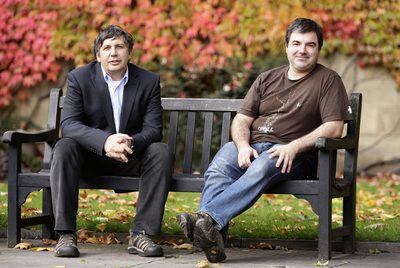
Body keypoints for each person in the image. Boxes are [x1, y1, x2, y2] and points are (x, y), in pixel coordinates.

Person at [177, 18, 352, 263]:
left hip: (297, 155)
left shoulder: (328, 80)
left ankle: (207, 220)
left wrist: (293, 147)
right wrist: (242, 146)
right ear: (286, 46)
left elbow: (334, 128)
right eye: (296, 43)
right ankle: (213, 239)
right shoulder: (267, 78)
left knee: (264, 163)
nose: (302, 50)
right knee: (220, 165)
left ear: (318, 48)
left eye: (310, 45)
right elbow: (241, 120)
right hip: (254, 146)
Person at [50, 25, 173, 258]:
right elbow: (69, 125)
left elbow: (154, 129)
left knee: (161, 152)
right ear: (98, 55)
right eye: (107, 48)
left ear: (129, 53)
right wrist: (105, 141)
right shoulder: (80, 78)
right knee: (64, 146)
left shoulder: (148, 81)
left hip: (130, 155)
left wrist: (127, 143)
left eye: (119, 47)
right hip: (91, 156)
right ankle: (66, 234)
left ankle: (141, 234)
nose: (113, 53)